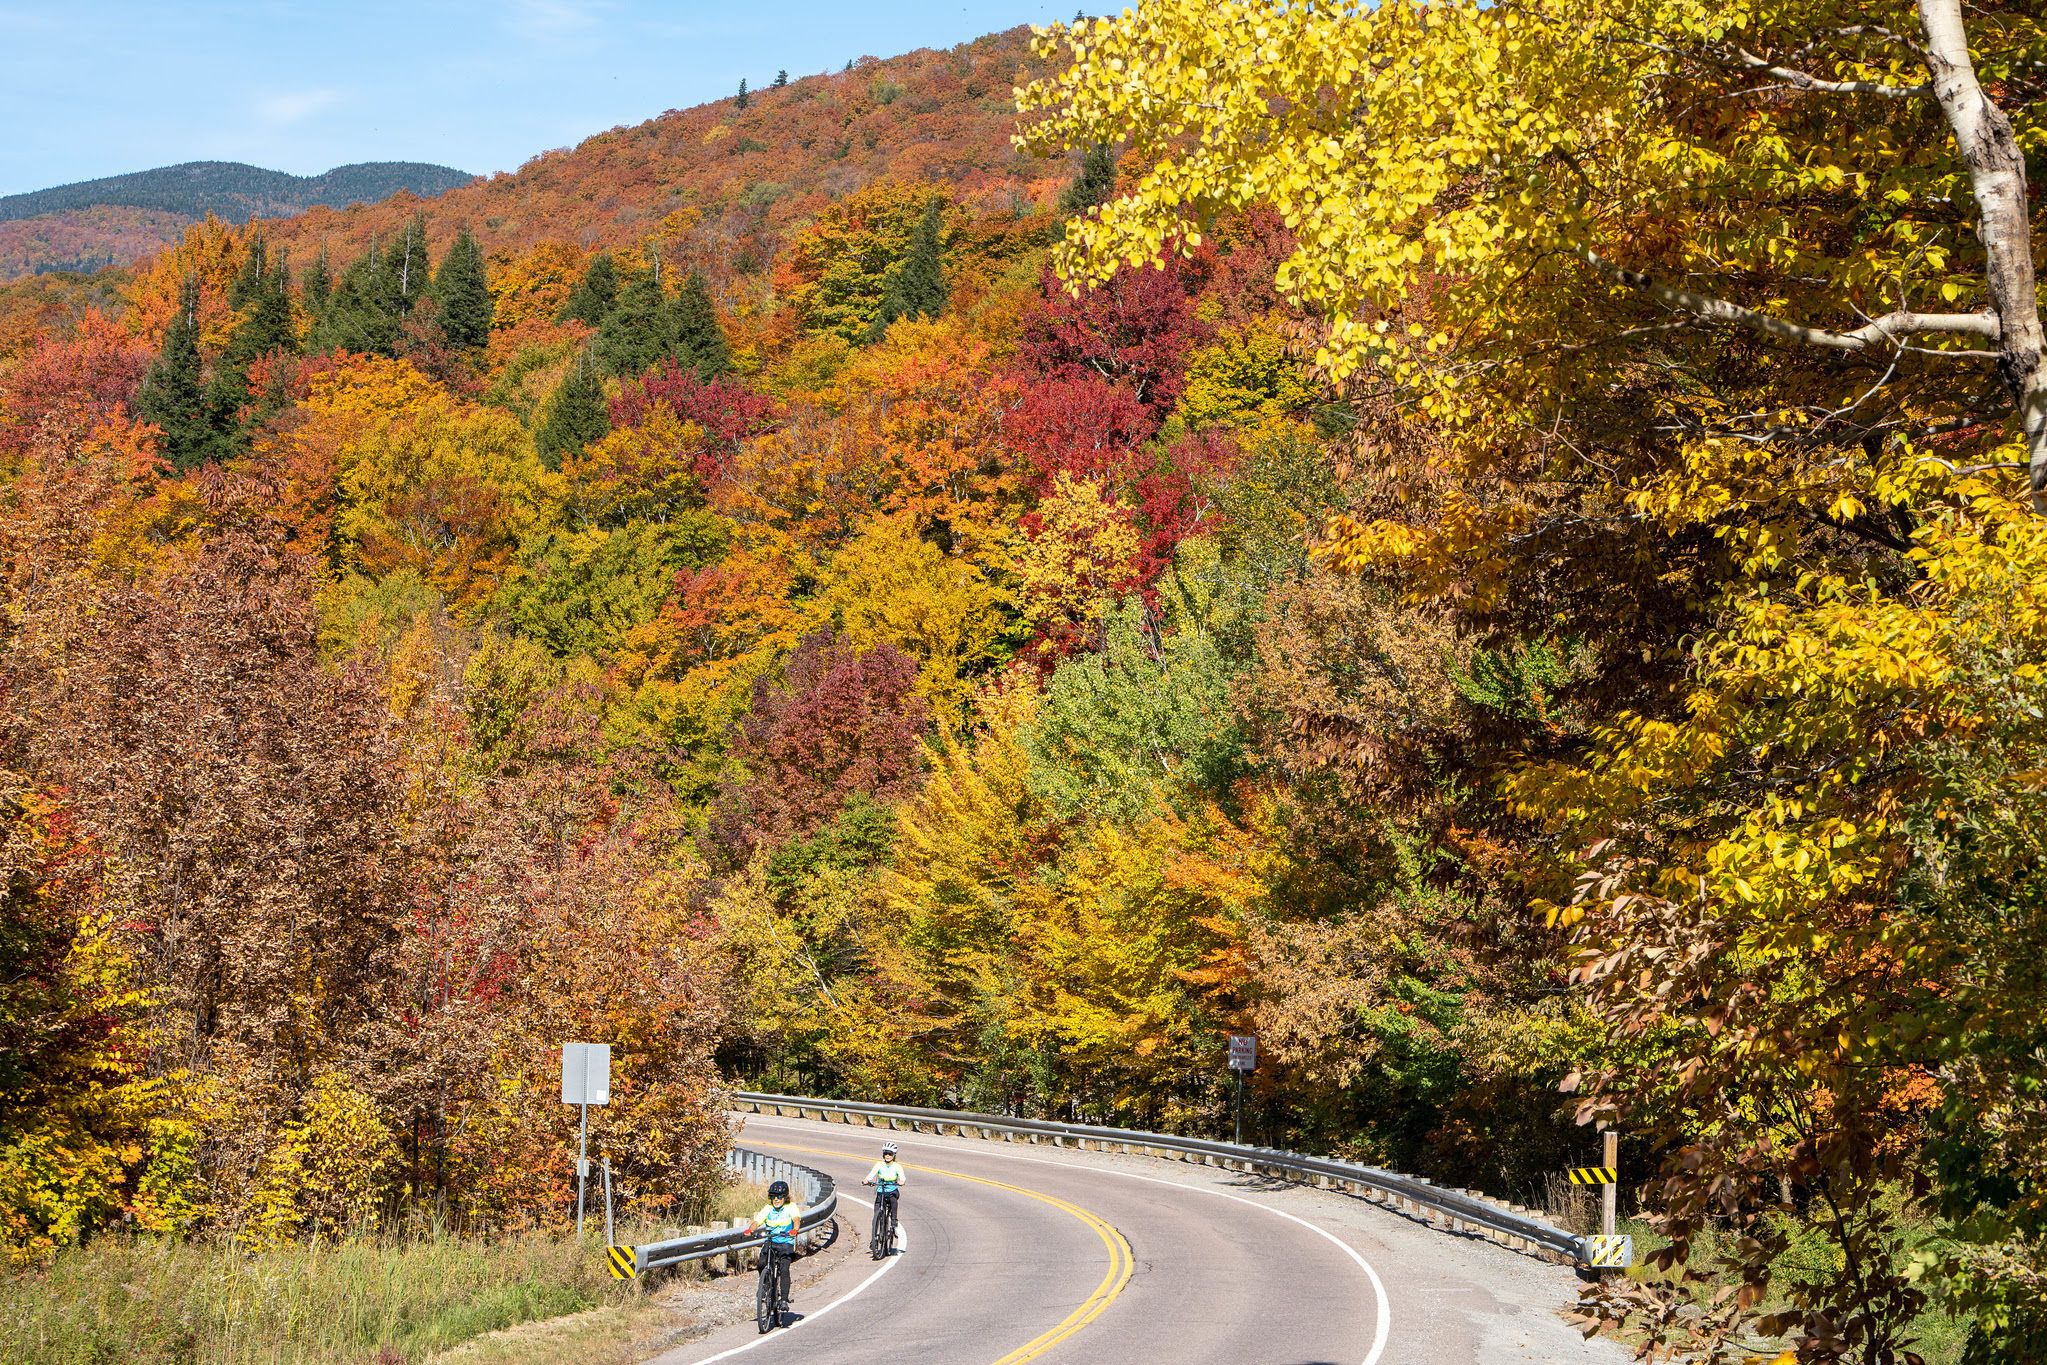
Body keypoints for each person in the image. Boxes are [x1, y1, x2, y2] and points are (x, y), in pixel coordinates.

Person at [744, 1179, 801, 1317]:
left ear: (785, 1197)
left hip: (786, 1242)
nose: (776, 1199)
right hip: (771, 1241)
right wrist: (750, 1229)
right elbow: (757, 1221)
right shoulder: (768, 1208)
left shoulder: (791, 1207)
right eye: (773, 1196)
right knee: (761, 1263)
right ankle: (764, 1286)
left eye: (780, 1196)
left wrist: (794, 1230)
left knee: (784, 1268)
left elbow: (796, 1220)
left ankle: (783, 1299)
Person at [862, 1143, 906, 1255]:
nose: (887, 1156)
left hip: (891, 1191)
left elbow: (902, 1177)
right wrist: (866, 1180)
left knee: (893, 1201)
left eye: (890, 1154)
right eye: (885, 1153)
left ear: (894, 1155)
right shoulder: (879, 1165)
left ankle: (894, 1224)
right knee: (876, 1213)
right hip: (881, 1191)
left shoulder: (897, 1166)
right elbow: (872, 1174)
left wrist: (901, 1181)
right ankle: (874, 1238)